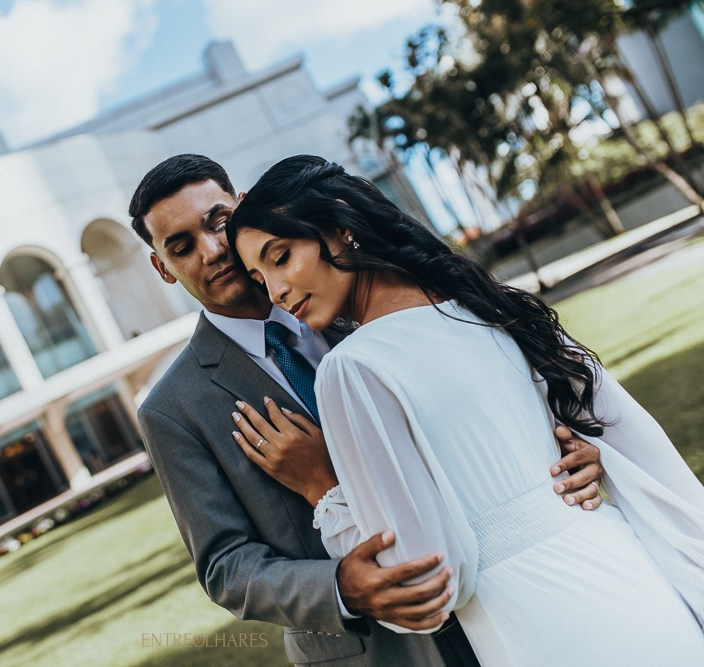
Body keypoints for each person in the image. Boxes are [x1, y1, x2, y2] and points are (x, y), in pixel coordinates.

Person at [129, 154, 607, 666]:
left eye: (218, 222)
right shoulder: (173, 408)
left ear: (242, 206)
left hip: (502, 599)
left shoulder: (363, 304)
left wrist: (565, 445)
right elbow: (225, 565)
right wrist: (340, 588)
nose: (212, 250)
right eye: (181, 247)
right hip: (372, 652)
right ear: (164, 268)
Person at [226, 154, 704, 664]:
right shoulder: (488, 307)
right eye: (259, 279)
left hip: (546, 628)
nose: (275, 291)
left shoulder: (353, 369)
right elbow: (620, 435)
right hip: (635, 581)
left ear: (341, 230)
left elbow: (429, 583)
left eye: (280, 257)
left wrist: (324, 489)